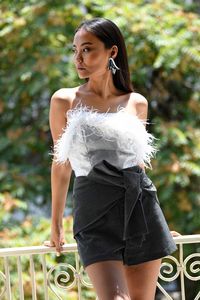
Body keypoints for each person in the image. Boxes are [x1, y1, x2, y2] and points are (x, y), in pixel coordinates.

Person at [44, 18, 179, 300]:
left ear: (112, 52)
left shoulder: (136, 102)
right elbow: (61, 165)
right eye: (75, 50)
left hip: (141, 210)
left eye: (87, 49)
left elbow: (137, 164)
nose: (77, 58)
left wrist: (159, 220)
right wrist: (55, 224)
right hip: (93, 212)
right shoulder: (64, 100)